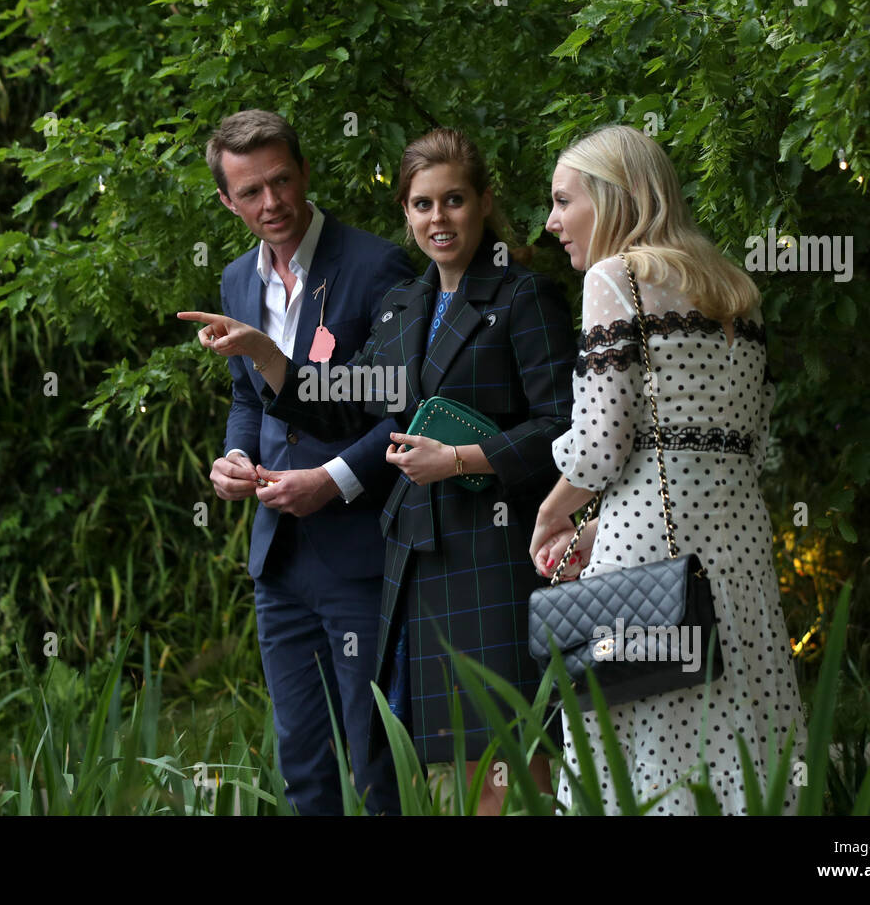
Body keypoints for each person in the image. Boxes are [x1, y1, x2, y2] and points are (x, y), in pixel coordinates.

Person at [184, 128, 577, 814]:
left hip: (497, 558)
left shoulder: (524, 297)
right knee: (440, 774)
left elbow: (564, 430)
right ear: (406, 212)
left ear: (484, 202)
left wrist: (457, 459)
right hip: (417, 568)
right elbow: (346, 400)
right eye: (423, 204)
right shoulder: (404, 307)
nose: (438, 218)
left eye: (453, 200)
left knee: (510, 769)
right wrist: (264, 355)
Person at [531, 124, 808, 814]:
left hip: (646, 557)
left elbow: (600, 447)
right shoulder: (735, 289)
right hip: (737, 548)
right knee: (740, 726)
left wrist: (554, 510)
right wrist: (601, 526)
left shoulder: (614, 278)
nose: (551, 221)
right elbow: (735, 441)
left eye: (564, 201)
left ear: (613, 196)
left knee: (642, 741)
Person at [198, 109, 413, 815]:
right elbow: (248, 399)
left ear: (305, 172)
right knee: (302, 770)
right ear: (227, 200)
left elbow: (399, 407)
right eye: (251, 192)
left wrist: (333, 480)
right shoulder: (236, 280)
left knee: (377, 763)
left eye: (282, 181)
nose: (272, 204)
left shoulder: (376, 264)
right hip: (277, 560)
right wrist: (233, 456)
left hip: (358, 549)